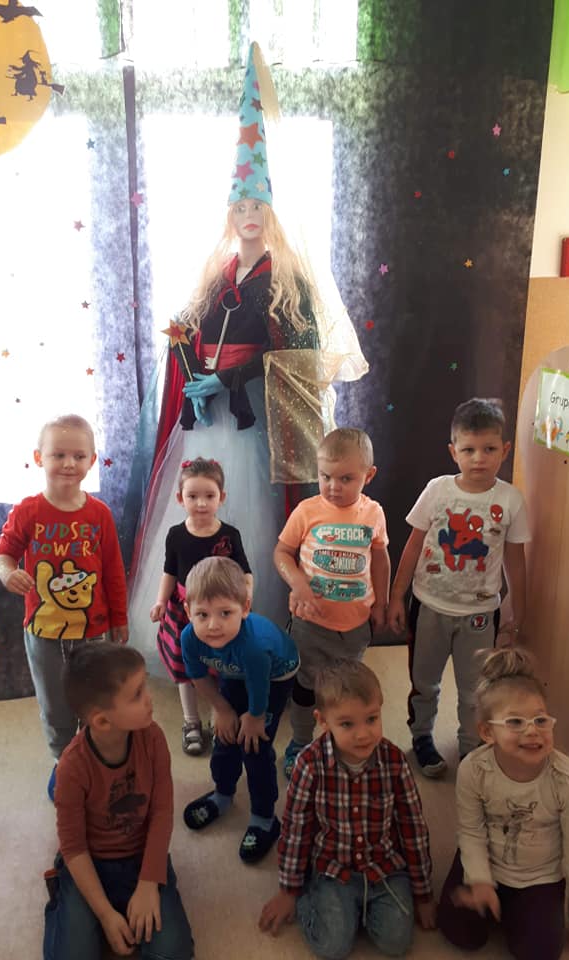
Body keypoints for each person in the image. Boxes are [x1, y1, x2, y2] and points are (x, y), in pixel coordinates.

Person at [121, 42, 367, 658]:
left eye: (257, 205)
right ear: (230, 214)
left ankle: (254, 627)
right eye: (240, 206)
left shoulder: (289, 278)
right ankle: (192, 626)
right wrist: (189, 362)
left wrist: (230, 379)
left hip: (255, 418)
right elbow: (188, 330)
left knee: (252, 513)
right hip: (207, 419)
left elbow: (299, 352)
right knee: (199, 503)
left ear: (271, 212)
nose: (249, 214)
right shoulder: (216, 272)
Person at [388, 398, 530, 777]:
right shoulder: (437, 491)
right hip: (429, 607)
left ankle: (471, 749)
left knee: (475, 690)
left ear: (505, 450)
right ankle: (422, 737)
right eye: (469, 450)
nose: (479, 458)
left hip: (480, 615)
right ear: (454, 451)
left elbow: (516, 560)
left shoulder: (510, 500)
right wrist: (396, 596)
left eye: (489, 449)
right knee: (424, 683)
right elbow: (413, 546)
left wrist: (517, 609)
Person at [259, 658, 435, 958]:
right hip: (332, 868)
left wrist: (423, 893)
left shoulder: (394, 761)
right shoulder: (308, 764)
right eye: (347, 724)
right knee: (333, 947)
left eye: (372, 719)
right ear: (323, 721)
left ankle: (356, 911)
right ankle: (312, 897)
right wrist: (289, 890)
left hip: (383, 866)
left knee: (396, 942)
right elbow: (296, 829)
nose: (363, 734)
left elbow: (413, 827)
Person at [0, 414, 128, 800]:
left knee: (95, 699)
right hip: (43, 632)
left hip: (94, 631)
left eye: (79, 456)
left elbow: (113, 571)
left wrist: (119, 617)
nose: (69, 463)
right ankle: (65, 761)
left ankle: (94, 758)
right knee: (55, 706)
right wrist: (8, 573)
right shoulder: (28, 511)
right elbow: (4, 553)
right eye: (58, 455)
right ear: (39, 458)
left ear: (92, 461)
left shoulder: (99, 514)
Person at [43, 641, 193, 960]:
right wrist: (105, 914)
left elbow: (162, 814)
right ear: (101, 721)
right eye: (137, 694)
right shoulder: (72, 767)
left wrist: (149, 882)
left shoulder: (153, 739)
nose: (150, 698)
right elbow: (74, 847)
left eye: (145, 686)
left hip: (141, 857)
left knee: (173, 952)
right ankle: (68, 900)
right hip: (90, 864)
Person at [437, 647, 569, 959]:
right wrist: (479, 880)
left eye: (541, 720)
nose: (532, 731)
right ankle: (499, 904)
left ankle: (521, 911)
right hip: (486, 861)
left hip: (540, 876)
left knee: (540, 952)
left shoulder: (568, 780)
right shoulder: (474, 770)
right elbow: (471, 831)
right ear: (487, 732)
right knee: (459, 932)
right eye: (515, 721)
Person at [274, 427, 390, 778]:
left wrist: (382, 603)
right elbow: (282, 552)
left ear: (368, 475)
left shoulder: (373, 513)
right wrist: (298, 584)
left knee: (345, 690)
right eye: (325, 476)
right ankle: (300, 742)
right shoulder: (307, 510)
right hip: (311, 623)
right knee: (306, 685)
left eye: (346, 478)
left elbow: (380, 558)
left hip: (355, 625)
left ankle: (340, 740)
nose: (333, 486)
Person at [180, 556, 299, 864]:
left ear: (245, 608)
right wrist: (221, 710)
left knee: (254, 747)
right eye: (202, 614)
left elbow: (259, 687)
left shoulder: (254, 646)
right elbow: (198, 677)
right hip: (233, 671)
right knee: (225, 738)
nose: (213, 625)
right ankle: (222, 793)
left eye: (225, 613)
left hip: (274, 676)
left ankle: (265, 818)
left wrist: (255, 717)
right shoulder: (189, 638)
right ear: (188, 611)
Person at [150, 456, 252, 756]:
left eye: (209, 495)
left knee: (218, 665)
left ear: (222, 497)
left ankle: (218, 715)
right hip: (184, 611)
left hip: (220, 611)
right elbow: (169, 571)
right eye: (193, 496)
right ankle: (191, 721)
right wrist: (160, 601)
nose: (202, 503)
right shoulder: (176, 535)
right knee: (186, 667)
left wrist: (245, 598)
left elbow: (245, 571)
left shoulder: (229, 534)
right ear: (180, 499)